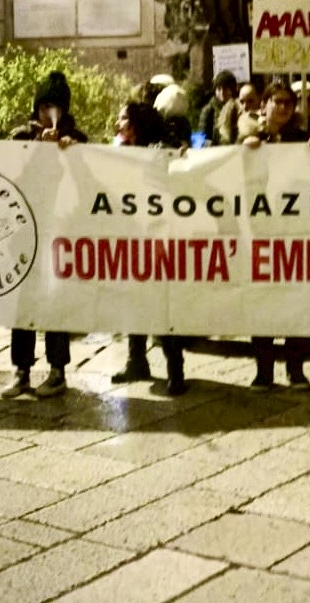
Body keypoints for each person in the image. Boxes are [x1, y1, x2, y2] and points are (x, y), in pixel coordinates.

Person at [1, 71, 88, 399]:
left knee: (55, 300)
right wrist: (41, 149)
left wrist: (72, 154)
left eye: (56, 107)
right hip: (26, 230)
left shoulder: (77, 138)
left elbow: (88, 181)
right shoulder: (22, 136)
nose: (49, 112)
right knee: (24, 302)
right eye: (44, 106)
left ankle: (57, 370)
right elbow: (12, 175)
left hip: (60, 230)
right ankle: (21, 370)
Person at [239, 80, 310, 391]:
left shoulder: (302, 139)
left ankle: (295, 369)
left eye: (289, 102)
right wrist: (243, 150)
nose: (284, 107)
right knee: (262, 301)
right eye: (278, 101)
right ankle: (264, 371)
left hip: (294, 231)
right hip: (260, 232)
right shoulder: (249, 139)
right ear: (265, 105)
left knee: (295, 301)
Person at [109, 101, 188, 395]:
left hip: (159, 236)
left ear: (137, 124)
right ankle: (137, 361)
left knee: (161, 303)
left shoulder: (160, 149)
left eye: (123, 118)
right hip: (132, 235)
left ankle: (175, 369)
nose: (118, 123)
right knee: (134, 301)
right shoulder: (121, 149)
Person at [198, 70, 238, 146]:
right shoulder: (208, 110)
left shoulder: (238, 108)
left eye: (225, 89)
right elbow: (201, 138)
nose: (222, 93)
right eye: (219, 89)